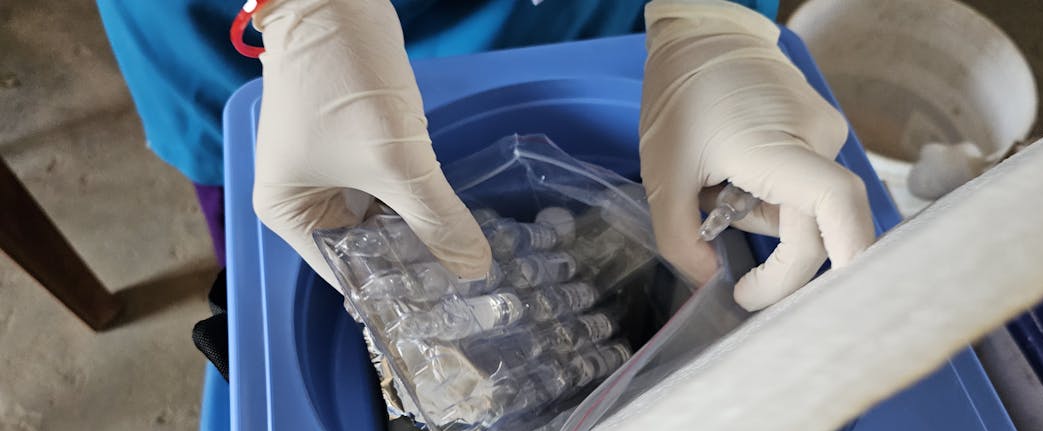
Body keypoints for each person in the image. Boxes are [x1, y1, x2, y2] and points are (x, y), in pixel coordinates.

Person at [97, 0, 872, 311]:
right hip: (251, 38)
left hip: (559, 17)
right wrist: (302, 13)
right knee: (300, 226)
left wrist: (714, 19)